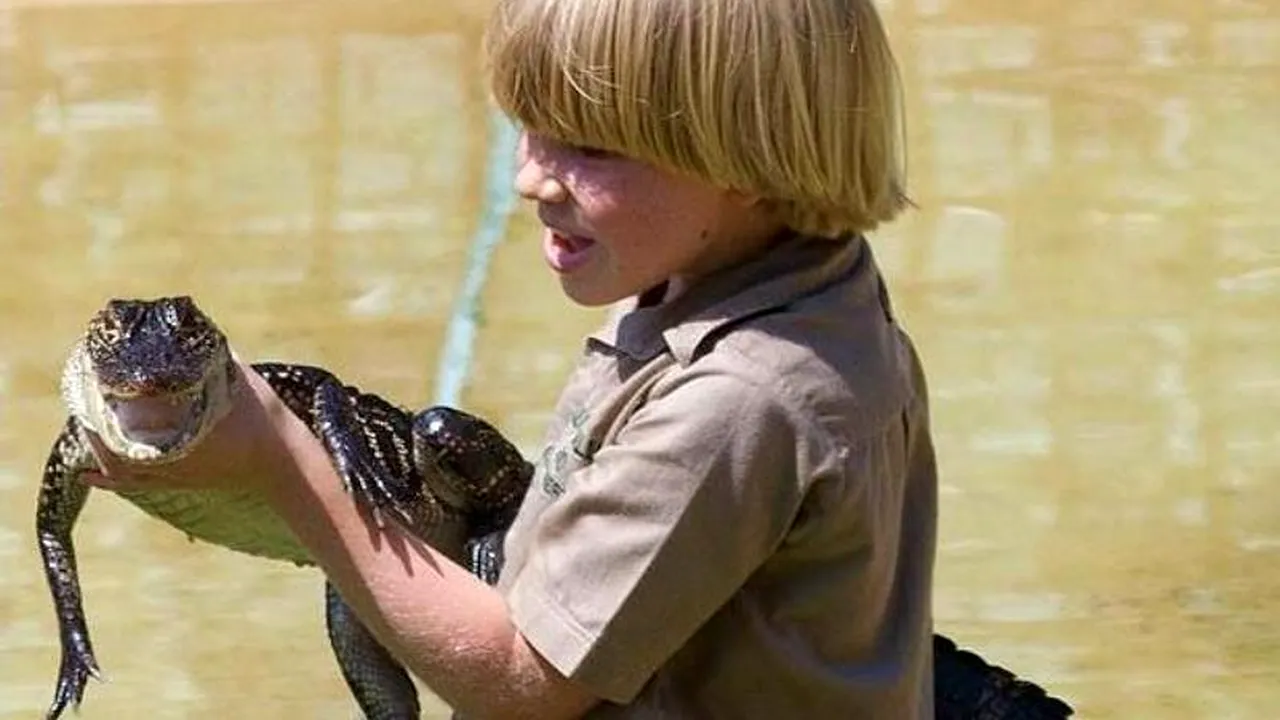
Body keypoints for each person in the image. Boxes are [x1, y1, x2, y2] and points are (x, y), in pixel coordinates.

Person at [85, 0, 939, 717]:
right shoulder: (776, 285)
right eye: (528, 125)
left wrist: (282, 462)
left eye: (590, 146)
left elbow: (522, 679)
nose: (532, 176)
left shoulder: (745, 397)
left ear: (750, 160)